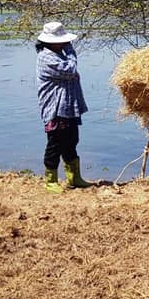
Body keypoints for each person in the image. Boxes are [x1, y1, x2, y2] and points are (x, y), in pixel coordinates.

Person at [36, 21, 92, 192]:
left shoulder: (59, 54)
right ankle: (51, 180)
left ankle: (74, 178)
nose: (66, 44)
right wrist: (71, 52)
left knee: (72, 141)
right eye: (63, 41)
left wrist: (68, 51)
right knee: (55, 143)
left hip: (69, 107)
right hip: (55, 108)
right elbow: (70, 70)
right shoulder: (46, 57)